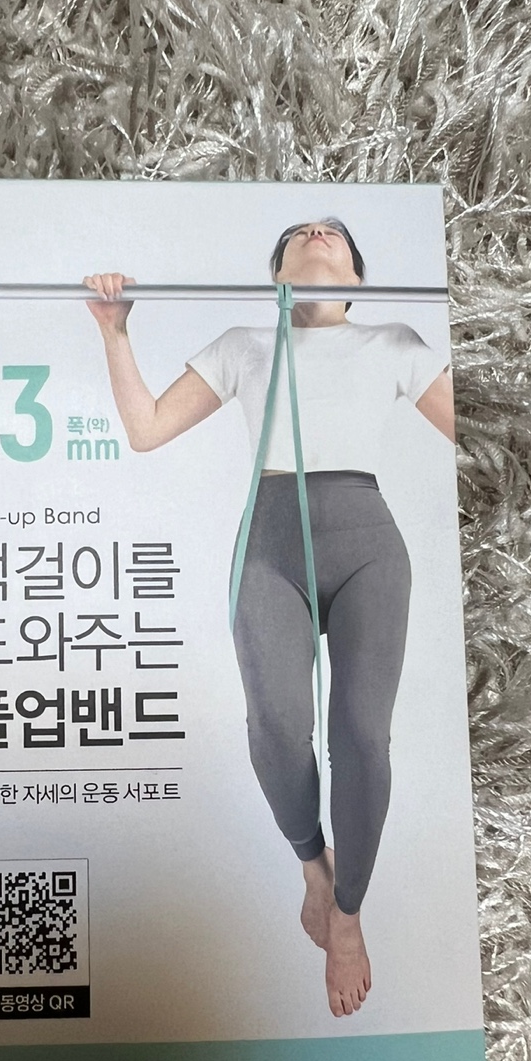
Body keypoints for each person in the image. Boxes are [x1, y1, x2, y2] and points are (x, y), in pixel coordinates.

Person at [84, 220, 455, 1017]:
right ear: (277, 276)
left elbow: (483, 435)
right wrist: (114, 332)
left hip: (367, 547)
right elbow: (145, 431)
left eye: (334, 235)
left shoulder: (395, 342)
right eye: (300, 236)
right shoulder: (243, 345)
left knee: (361, 736)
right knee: (277, 727)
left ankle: (347, 915)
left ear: (357, 278)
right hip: (269, 546)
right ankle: (312, 865)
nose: (318, 232)